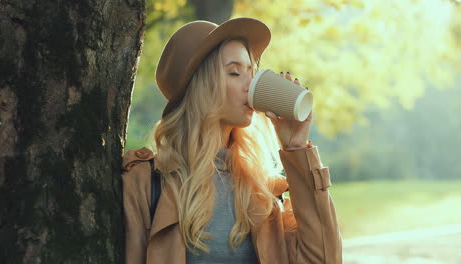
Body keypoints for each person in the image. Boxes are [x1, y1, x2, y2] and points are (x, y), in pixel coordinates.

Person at [122, 17, 342, 264]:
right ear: (199, 87)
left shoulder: (263, 190)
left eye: (252, 71)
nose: (252, 85)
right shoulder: (146, 182)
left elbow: (324, 259)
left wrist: (296, 148)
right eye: (235, 72)